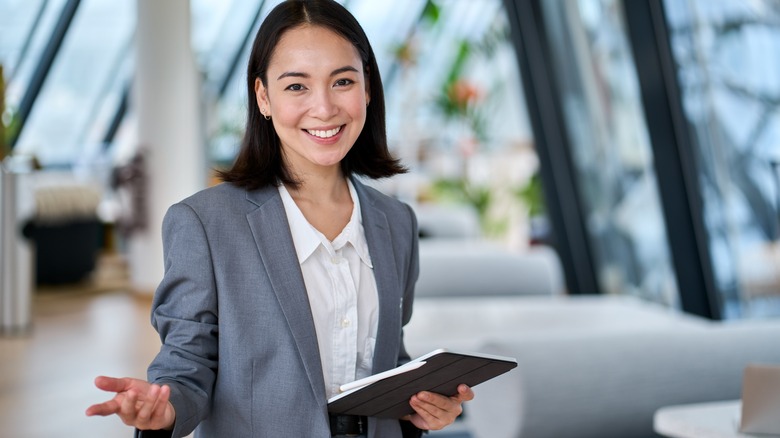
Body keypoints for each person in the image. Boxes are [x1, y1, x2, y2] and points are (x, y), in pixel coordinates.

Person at [85, 1, 474, 436]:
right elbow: (187, 368)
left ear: (367, 89)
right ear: (263, 97)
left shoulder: (396, 222)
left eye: (342, 81)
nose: (324, 108)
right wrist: (164, 411)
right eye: (296, 87)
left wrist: (417, 405)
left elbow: (386, 358)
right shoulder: (204, 224)